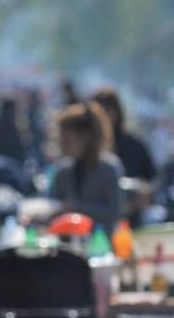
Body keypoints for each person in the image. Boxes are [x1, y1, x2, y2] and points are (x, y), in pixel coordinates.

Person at [48, 101, 124, 235]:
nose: (62, 144)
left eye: (67, 139)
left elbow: (114, 213)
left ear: (86, 138)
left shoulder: (108, 169)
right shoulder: (62, 171)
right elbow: (52, 207)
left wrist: (75, 207)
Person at [92, 86, 156, 182]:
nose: (104, 119)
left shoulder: (135, 145)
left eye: (108, 111)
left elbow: (151, 179)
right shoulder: (87, 147)